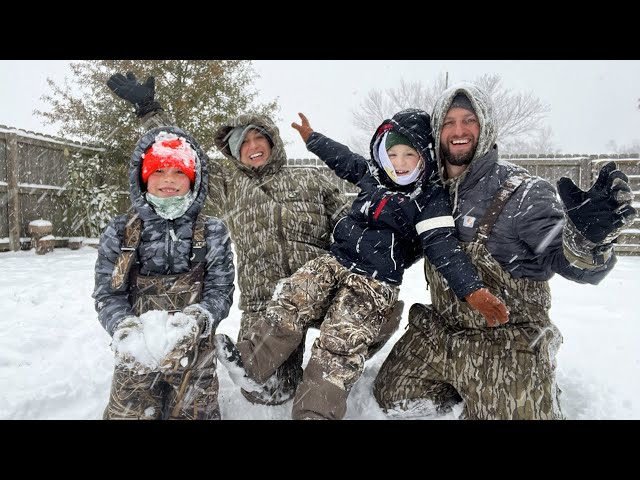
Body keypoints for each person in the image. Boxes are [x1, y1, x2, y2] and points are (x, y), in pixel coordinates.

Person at [214, 109, 509, 420]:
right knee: (292, 297)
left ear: (425, 157)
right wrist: (313, 139)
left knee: (340, 345)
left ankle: (315, 411)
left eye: (409, 154)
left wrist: (473, 291)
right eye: (391, 153)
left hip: (373, 281)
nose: (399, 162)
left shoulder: (428, 199)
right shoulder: (375, 178)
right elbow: (344, 159)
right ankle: (251, 362)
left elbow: (443, 248)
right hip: (334, 261)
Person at [373, 83, 637, 420]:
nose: (458, 131)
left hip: (507, 339)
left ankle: (531, 383)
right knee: (392, 398)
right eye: (448, 122)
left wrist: (587, 240)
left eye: (469, 120)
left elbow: (572, 263)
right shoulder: (429, 191)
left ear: (485, 127)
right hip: (443, 331)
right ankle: (465, 383)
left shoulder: (523, 192)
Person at [107, 72, 351, 406]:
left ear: (272, 140)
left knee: (363, 319)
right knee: (267, 392)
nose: (252, 147)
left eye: (257, 138)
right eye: (242, 142)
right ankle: (293, 362)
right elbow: (184, 153)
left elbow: (351, 228)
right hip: (265, 305)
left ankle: (335, 355)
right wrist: (150, 110)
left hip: (320, 292)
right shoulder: (229, 185)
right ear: (233, 152)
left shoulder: (311, 179)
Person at [94, 125, 235, 420]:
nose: (168, 180)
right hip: (137, 352)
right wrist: (124, 328)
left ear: (193, 180)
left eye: (179, 172)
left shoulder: (212, 231)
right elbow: (109, 293)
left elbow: (220, 291)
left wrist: (200, 318)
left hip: (194, 351)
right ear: (143, 178)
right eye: (158, 171)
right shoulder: (121, 232)